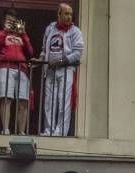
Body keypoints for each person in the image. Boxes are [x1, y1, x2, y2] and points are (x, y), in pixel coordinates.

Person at [41, 3, 84, 136]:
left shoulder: (75, 31)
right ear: (59, 14)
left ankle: (60, 132)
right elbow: (44, 49)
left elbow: (78, 53)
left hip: (66, 69)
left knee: (63, 101)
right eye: (66, 14)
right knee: (49, 101)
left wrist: (60, 61)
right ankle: (48, 130)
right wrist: (41, 59)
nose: (69, 17)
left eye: (71, 14)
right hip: (49, 69)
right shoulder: (50, 28)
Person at [0, 8, 33, 135]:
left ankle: (21, 131)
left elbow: (30, 51)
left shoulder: (20, 36)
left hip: (22, 69)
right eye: (9, 20)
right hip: (5, 67)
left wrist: (23, 34)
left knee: (23, 101)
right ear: (4, 21)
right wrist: (5, 32)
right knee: (6, 98)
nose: (12, 23)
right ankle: (6, 129)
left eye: (13, 21)